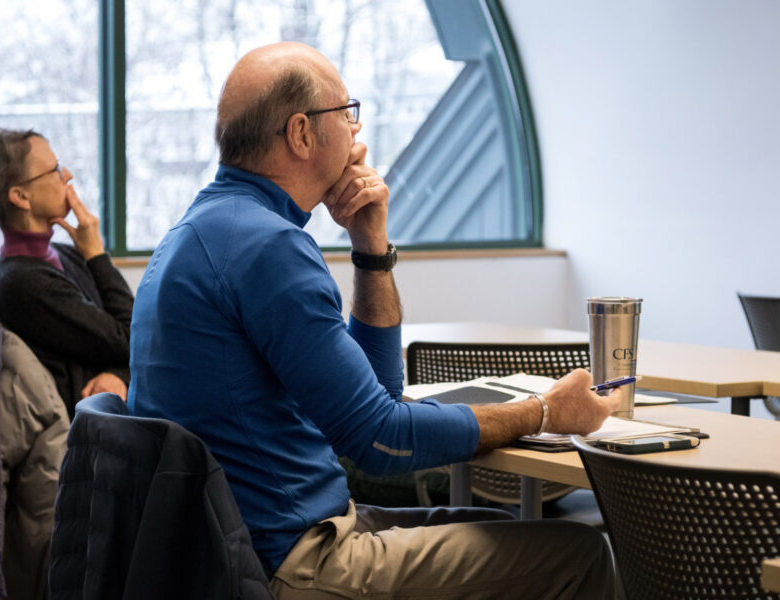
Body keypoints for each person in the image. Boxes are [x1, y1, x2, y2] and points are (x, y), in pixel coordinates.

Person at [128, 42, 621, 599]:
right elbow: (381, 442)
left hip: (236, 548)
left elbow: (379, 394)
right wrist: (544, 411)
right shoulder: (267, 248)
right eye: (346, 112)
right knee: (579, 554)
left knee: (511, 536)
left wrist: (370, 242)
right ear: (301, 134)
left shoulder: (203, 232)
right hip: (288, 562)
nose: (357, 133)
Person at [0, 128, 132, 416]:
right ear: (21, 196)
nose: (68, 175)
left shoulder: (64, 254)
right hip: (87, 441)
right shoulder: (22, 283)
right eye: (55, 170)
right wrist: (97, 255)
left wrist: (118, 375)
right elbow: (131, 338)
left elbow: (131, 338)